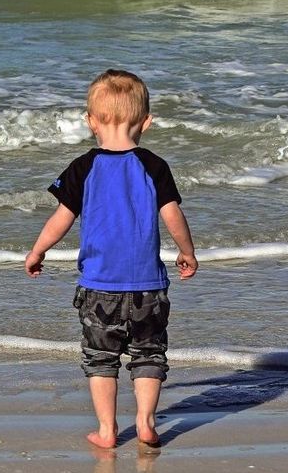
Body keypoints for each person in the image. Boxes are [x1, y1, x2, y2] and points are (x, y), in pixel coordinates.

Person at [25, 69, 198, 449]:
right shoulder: (154, 166)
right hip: (149, 289)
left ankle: (107, 431)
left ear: (91, 121)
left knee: (101, 358)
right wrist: (187, 252)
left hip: (98, 287)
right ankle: (147, 422)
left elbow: (61, 219)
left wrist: (39, 250)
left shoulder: (83, 168)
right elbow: (173, 216)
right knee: (149, 354)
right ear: (146, 122)